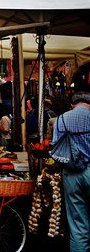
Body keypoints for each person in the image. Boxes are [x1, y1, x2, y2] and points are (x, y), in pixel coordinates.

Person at [51, 91, 90, 252]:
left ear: (72, 105)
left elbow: (54, 147)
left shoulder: (61, 119)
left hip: (70, 174)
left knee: (78, 224)